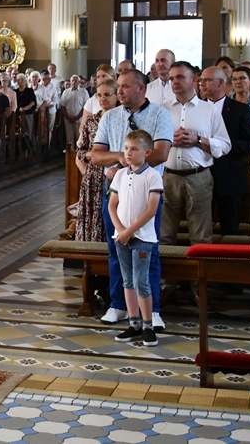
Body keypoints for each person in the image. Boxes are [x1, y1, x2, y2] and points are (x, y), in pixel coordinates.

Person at [89, 69, 172, 330]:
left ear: (141, 88)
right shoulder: (110, 116)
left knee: (148, 251)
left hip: (146, 192)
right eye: (119, 87)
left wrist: (127, 167)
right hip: (116, 192)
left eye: (125, 86)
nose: (120, 91)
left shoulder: (159, 114)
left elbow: (161, 153)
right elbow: (96, 155)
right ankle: (119, 305)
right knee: (116, 249)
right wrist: (118, 157)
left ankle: (153, 310)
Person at [160, 62, 230, 248]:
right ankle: (166, 268)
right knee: (164, 234)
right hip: (168, 176)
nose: (175, 82)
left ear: (194, 80)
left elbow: (225, 145)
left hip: (199, 177)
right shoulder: (161, 110)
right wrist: (169, 141)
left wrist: (198, 140)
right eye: (172, 78)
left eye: (180, 77)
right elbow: (149, 144)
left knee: (201, 236)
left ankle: (200, 268)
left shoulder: (209, 110)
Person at [108, 129, 163, 347]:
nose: (128, 153)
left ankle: (148, 326)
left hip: (142, 237)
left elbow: (151, 210)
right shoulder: (120, 175)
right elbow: (112, 205)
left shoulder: (152, 175)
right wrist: (120, 230)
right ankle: (134, 324)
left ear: (147, 152)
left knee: (141, 281)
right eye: (126, 149)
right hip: (121, 237)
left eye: (134, 149)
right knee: (128, 281)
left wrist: (129, 231)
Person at [202, 67, 250, 237]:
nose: (202, 84)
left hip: (229, 174)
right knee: (200, 228)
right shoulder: (195, 108)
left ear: (220, 83)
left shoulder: (239, 109)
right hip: (200, 174)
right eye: (201, 80)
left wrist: (219, 145)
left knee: (230, 228)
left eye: (207, 80)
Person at [74, 80, 118, 242]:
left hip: (114, 173)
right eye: (99, 95)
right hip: (93, 175)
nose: (103, 98)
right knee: (92, 217)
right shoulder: (91, 121)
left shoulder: (123, 119)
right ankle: (91, 251)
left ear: (116, 95)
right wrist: (91, 156)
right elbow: (81, 152)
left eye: (107, 94)